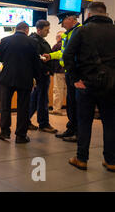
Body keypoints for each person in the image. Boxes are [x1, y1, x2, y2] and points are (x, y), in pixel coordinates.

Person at [62, 2, 115, 172]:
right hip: (111, 85)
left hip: (86, 84)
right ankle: (111, 160)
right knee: (110, 123)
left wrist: (75, 78)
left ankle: (82, 158)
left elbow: (67, 55)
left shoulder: (82, 30)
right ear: (105, 14)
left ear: (89, 15)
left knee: (84, 122)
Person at [0, 22, 41, 144]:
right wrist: (38, 78)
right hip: (25, 79)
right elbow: (36, 62)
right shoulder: (32, 42)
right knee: (23, 108)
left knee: (5, 106)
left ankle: (4, 132)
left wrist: (9, 59)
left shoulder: (5, 40)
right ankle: (21, 135)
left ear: (16, 29)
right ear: (26, 30)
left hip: (6, 78)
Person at [43, 12, 81, 142]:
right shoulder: (69, 34)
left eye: (63, 22)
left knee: (76, 104)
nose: (62, 25)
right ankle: (71, 129)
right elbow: (64, 53)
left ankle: (77, 132)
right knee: (71, 103)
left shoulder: (78, 32)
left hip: (75, 73)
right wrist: (51, 55)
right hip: (68, 72)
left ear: (70, 19)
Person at [28, 20, 58, 133]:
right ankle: (44, 123)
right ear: (39, 29)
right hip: (41, 75)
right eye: (46, 30)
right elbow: (37, 59)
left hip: (40, 75)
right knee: (42, 100)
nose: (48, 32)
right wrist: (45, 70)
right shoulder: (36, 42)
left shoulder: (38, 40)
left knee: (35, 99)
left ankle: (26, 121)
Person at [50, 31, 66, 116]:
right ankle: (71, 109)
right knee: (67, 91)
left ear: (59, 38)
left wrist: (51, 71)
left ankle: (57, 109)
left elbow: (52, 58)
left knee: (58, 91)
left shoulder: (56, 46)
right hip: (67, 71)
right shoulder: (68, 44)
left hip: (58, 71)